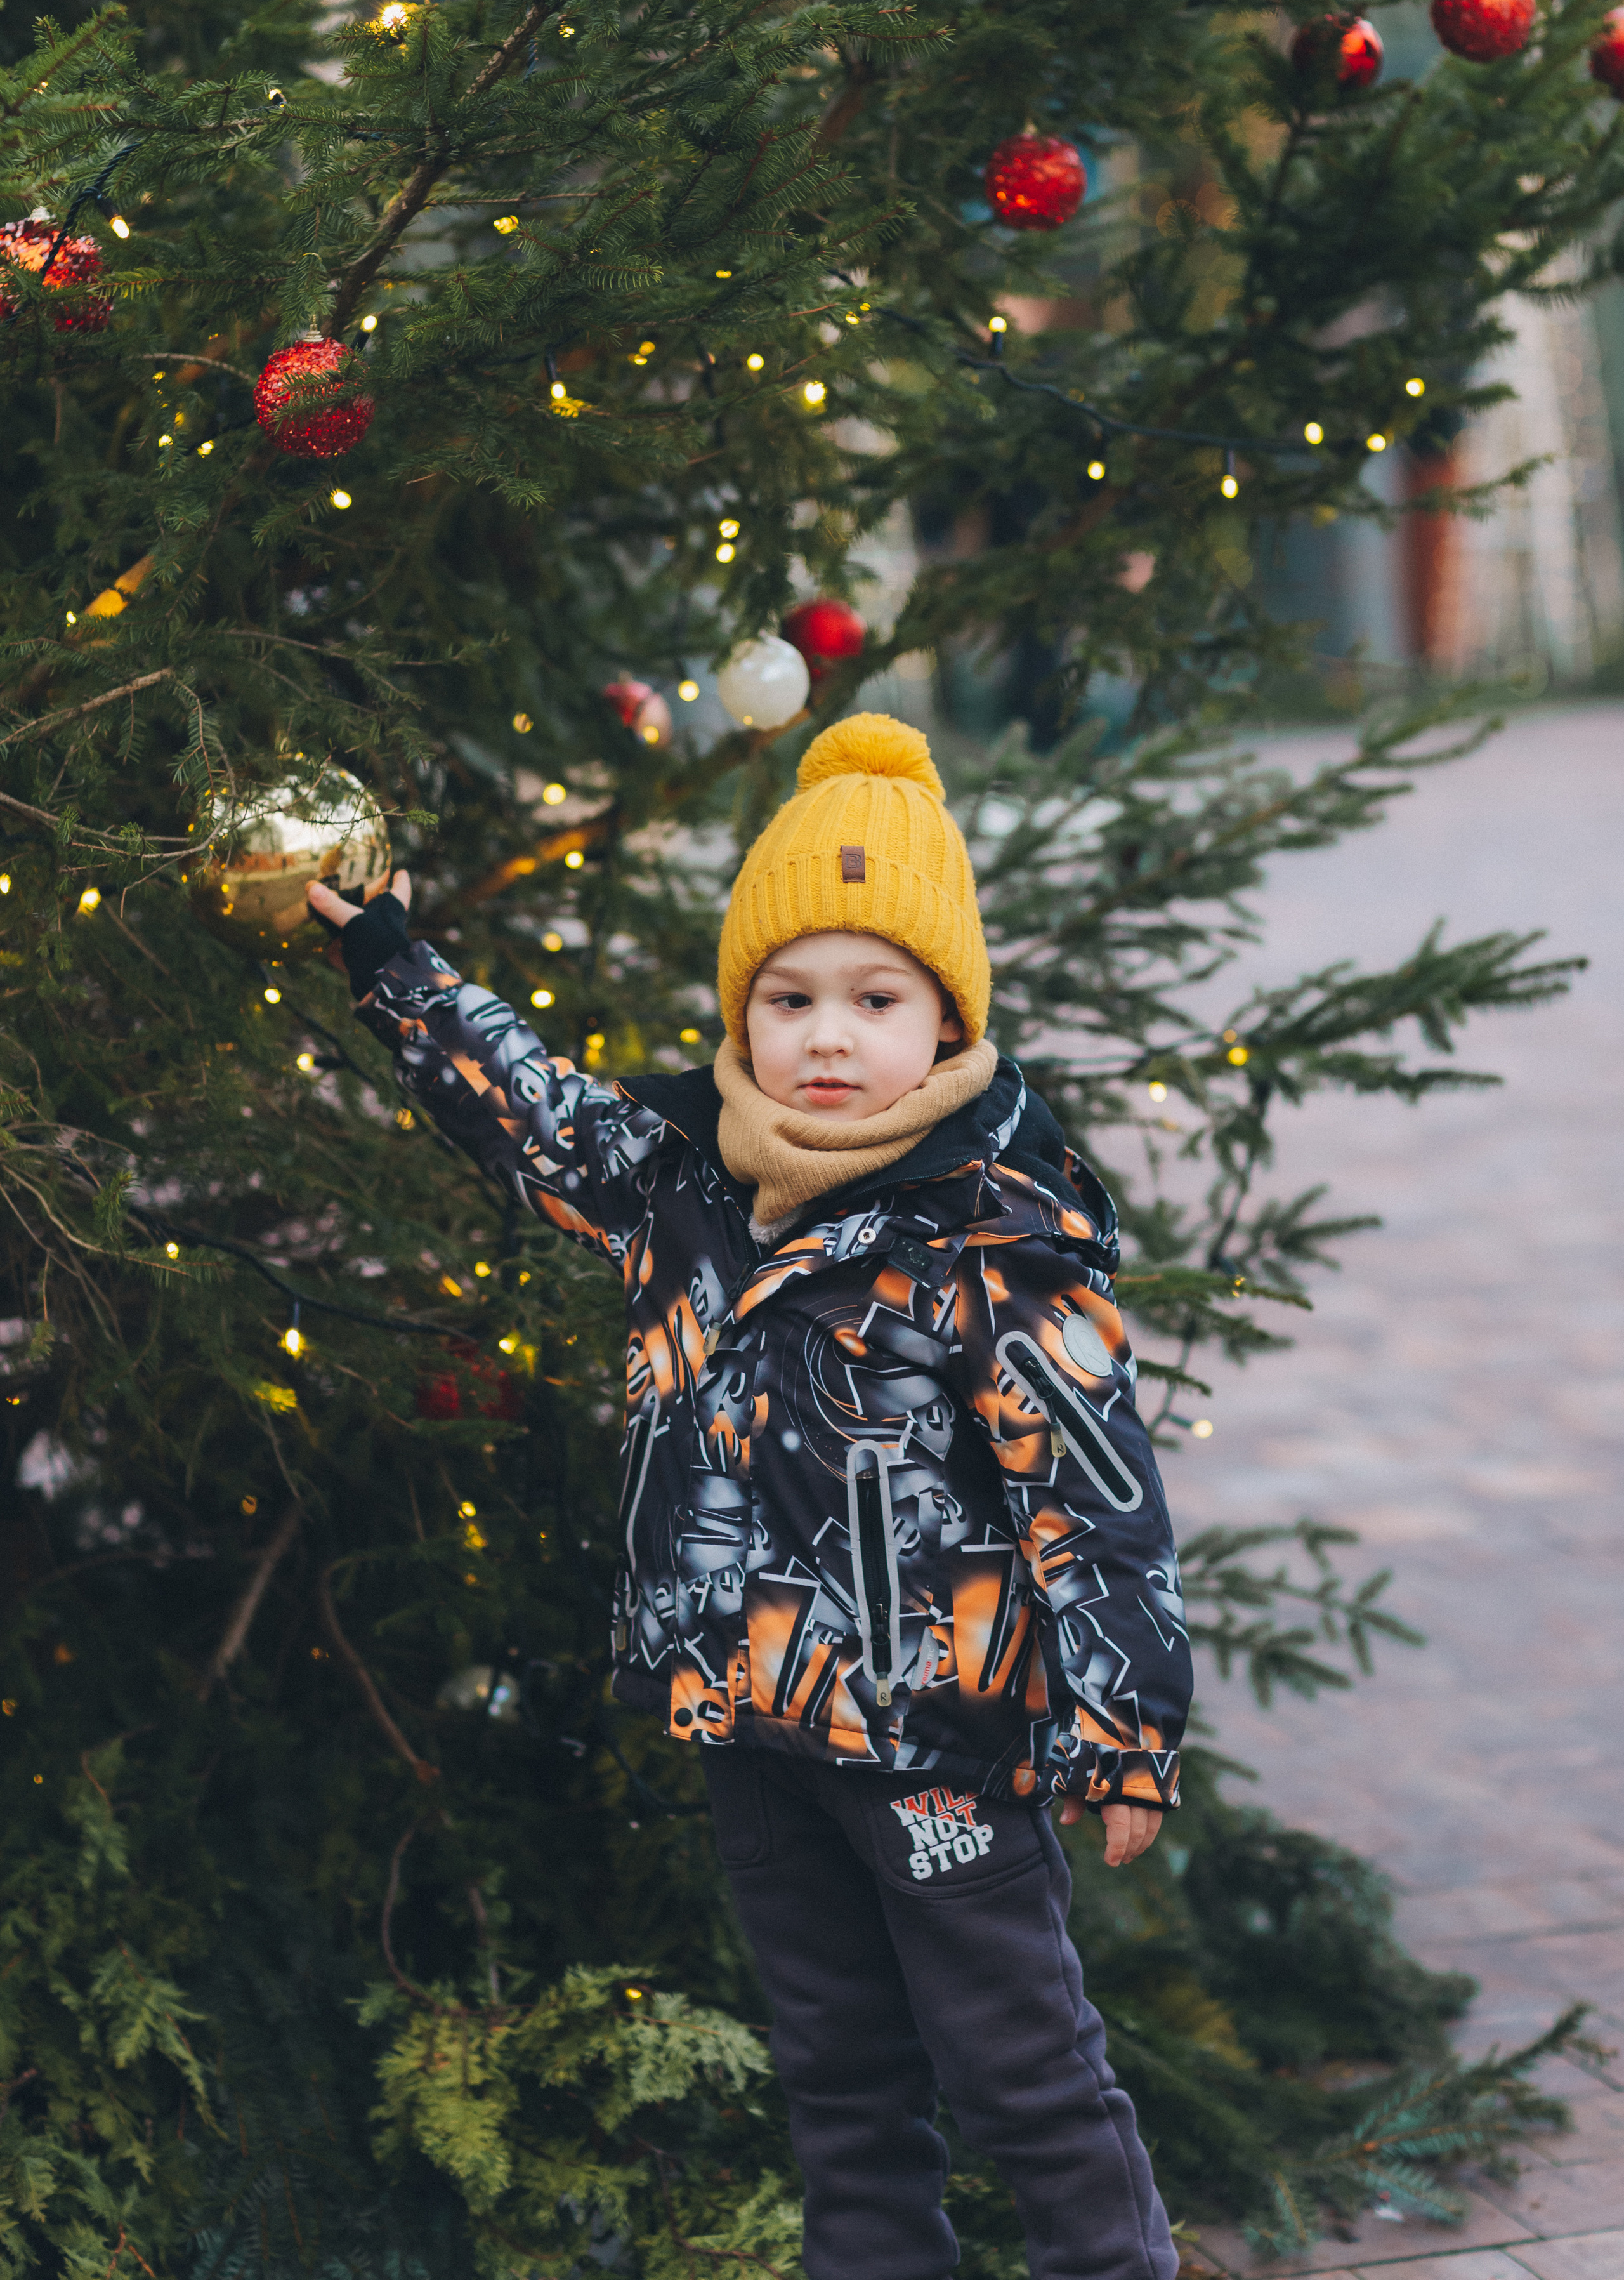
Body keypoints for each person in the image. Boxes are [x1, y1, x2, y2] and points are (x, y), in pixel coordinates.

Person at [310, 712, 1190, 2280]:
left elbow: (1092, 1497)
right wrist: (385, 952)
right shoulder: (680, 1180)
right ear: (742, 1012)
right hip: (753, 1729)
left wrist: (1120, 1736)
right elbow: (519, 1103)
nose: (826, 1039)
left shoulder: (998, 1234)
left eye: (874, 999)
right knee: (841, 2083)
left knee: (1023, 2076)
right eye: (788, 1001)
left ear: (946, 1021)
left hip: (938, 1747)